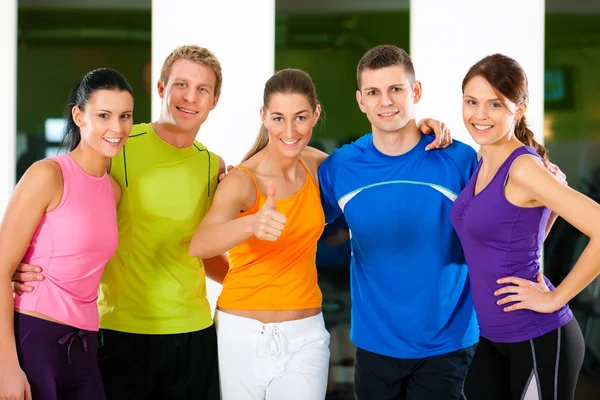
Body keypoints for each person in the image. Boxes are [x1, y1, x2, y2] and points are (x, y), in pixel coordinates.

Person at [11, 45, 228, 399]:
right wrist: (20, 265)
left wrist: (257, 286)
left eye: (203, 89)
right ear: (161, 88)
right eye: (181, 85)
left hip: (192, 333)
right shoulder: (117, 144)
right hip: (120, 332)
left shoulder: (214, 167)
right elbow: (69, 203)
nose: (190, 97)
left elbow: (204, 251)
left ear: (214, 100)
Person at [318, 45, 479, 400]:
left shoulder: (458, 159)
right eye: (374, 92)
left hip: (447, 344)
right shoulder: (341, 168)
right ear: (361, 101)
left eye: (396, 89)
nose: (385, 101)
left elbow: (499, 230)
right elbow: (302, 221)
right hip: (376, 346)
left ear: (415, 91)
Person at [451, 54, 592, 400]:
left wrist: (555, 297)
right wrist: (552, 212)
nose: (479, 115)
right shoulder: (483, 159)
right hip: (489, 335)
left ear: (519, 109)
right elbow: (506, 240)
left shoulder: (522, 168)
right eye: (472, 102)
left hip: (537, 335)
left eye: (495, 104)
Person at [0, 68, 133, 400]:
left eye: (125, 116)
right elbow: (1, 267)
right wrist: (6, 367)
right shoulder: (48, 175)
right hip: (34, 337)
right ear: (79, 115)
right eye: (104, 115)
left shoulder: (113, 191)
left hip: (85, 345)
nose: (116, 128)